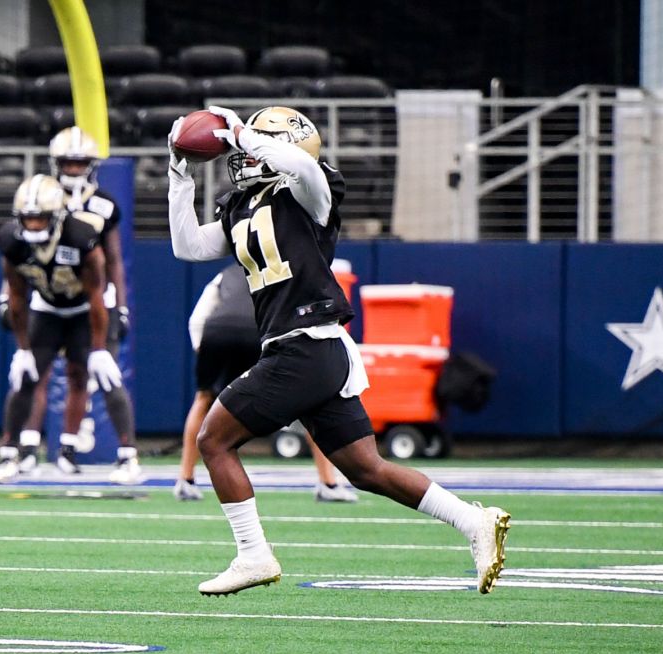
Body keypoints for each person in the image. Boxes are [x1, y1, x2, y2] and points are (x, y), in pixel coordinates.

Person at [167, 106, 510, 596]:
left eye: (259, 143)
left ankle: (253, 554)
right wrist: (179, 174)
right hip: (308, 351)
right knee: (365, 469)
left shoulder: (310, 192)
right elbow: (189, 246)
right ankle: (472, 521)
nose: (241, 155)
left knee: (214, 441)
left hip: (304, 345)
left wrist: (245, 134)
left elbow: (304, 167)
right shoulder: (241, 204)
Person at [10, 127, 142, 484]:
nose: (72, 170)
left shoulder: (103, 204)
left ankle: (93, 451)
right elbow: (18, 258)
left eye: (79, 162)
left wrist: (122, 304)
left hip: (94, 301)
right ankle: (26, 448)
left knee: (95, 372)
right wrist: (6, 297)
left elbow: (114, 259)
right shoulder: (37, 200)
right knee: (35, 373)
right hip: (49, 299)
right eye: (66, 163)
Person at [176, 263, 357, 503]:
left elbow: (198, 318)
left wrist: (202, 348)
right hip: (257, 332)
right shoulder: (284, 269)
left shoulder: (226, 274)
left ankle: (185, 480)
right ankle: (328, 482)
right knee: (309, 403)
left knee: (203, 397)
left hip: (216, 330)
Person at [0, 173, 121, 482]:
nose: (34, 225)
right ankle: (13, 452)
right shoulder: (10, 238)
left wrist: (100, 347)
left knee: (87, 375)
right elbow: (17, 294)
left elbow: (98, 293)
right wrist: (22, 349)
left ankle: (99, 453)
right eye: (28, 218)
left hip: (84, 308)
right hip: (45, 307)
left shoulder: (81, 235)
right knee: (28, 375)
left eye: (41, 218)